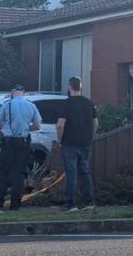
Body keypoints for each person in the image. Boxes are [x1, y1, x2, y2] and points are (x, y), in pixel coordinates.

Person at [0, 84, 42, 213]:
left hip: (7, 144)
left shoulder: (6, 105)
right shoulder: (31, 106)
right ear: (23, 92)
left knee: (3, 173)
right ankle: (15, 205)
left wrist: (6, 128)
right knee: (18, 174)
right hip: (23, 143)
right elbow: (37, 126)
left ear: (12, 92)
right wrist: (26, 128)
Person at [56, 76, 99, 212]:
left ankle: (70, 204)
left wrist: (60, 140)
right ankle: (89, 202)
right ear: (81, 86)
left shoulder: (66, 103)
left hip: (69, 143)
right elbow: (96, 122)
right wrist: (91, 136)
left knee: (71, 173)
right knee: (85, 172)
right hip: (85, 143)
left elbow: (60, 125)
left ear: (69, 87)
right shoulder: (89, 103)